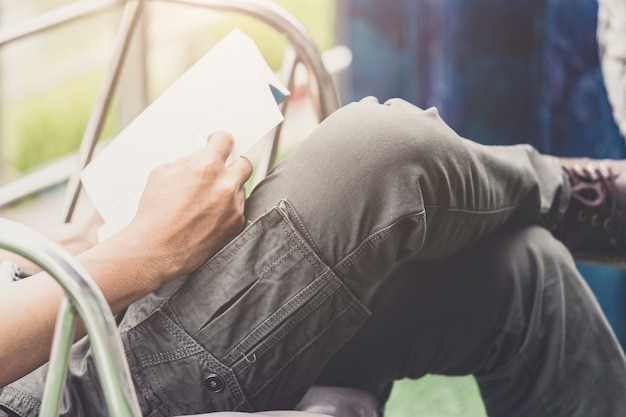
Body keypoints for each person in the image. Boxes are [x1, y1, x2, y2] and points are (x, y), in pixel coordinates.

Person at [1, 97, 625, 416]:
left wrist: (78, 247)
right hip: (52, 390)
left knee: (519, 269)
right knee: (377, 153)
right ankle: (569, 195)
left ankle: (566, 204)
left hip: (46, 301)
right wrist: (139, 250)